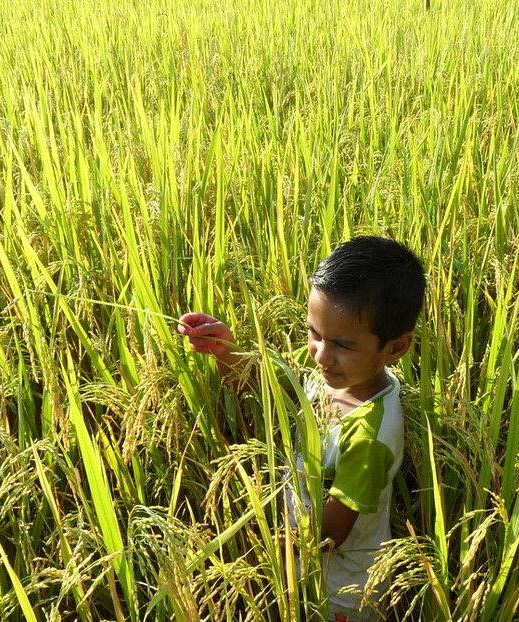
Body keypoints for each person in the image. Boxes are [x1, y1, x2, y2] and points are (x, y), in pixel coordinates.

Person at [178, 236, 426, 621]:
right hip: (303, 561)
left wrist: (256, 552)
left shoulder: (370, 436)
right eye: (314, 333)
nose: (321, 354)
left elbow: (331, 535)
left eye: (342, 344)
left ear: (396, 348)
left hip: (343, 589)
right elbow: (268, 389)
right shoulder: (340, 371)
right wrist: (225, 351)